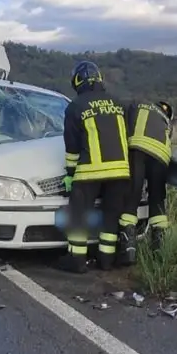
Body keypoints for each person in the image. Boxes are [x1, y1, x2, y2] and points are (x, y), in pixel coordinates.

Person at [58, 61, 130, 274]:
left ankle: (77, 260)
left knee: (78, 215)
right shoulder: (118, 103)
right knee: (110, 216)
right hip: (120, 172)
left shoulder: (76, 106)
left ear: (77, 81)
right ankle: (106, 260)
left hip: (90, 171)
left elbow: (71, 146)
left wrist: (70, 175)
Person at [122, 99, 174, 260]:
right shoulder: (165, 119)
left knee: (132, 196)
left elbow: (122, 126)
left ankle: (128, 249)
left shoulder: (136, 104)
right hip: (161, 156)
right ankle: (159, 250)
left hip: (137, 150)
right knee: (157, 200)